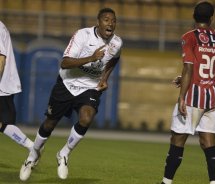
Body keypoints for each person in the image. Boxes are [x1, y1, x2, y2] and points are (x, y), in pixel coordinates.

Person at [19, 7, 123, 181]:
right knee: (49, 124)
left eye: (113, 20)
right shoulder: (82, 35)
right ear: (97, 22)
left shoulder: (117, 43)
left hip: (90, 87)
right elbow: (65, 63)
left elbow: (114, 58)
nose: (110, 23)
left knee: (86, 117)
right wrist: (91, 57)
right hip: (67, 84)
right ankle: (32, 156)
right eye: (106, 19)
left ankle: (64, 154)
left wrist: (105, 77)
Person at [160, 1, 215, 184]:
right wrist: (189, 78)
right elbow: (214, 67)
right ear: (211, 18)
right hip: (212, 96)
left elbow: (188, 67)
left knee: (178, 139)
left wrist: (182, 96)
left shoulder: (189, 36)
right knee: (208, 142)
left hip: (193, 97)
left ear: (193, 16)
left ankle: (166, 182)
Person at [0, 21, 34, 152]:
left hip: (2, 85)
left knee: (4, 123)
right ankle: (32, 147)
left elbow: (1, 60)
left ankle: (31, 146)